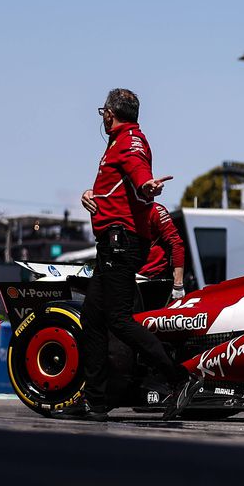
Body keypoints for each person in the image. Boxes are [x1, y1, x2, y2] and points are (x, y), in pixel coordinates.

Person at [72, 88, 186, 422]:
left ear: (110, 113)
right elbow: (118, 187)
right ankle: (95, 401)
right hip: (112, 243)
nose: (102, 117)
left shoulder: (130, 141)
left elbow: (139, 174)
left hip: (121, 243)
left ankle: (179, 378)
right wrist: (91, 194)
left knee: (118, 319)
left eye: (102, 112)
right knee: (92, 318)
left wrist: (147, 186)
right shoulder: (119, 141)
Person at [138, 201, 186, 311]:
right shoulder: (124, 210)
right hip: (128, 278)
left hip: (152, 281)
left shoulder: (155, 210)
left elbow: (176, 244)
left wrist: (178, 284)